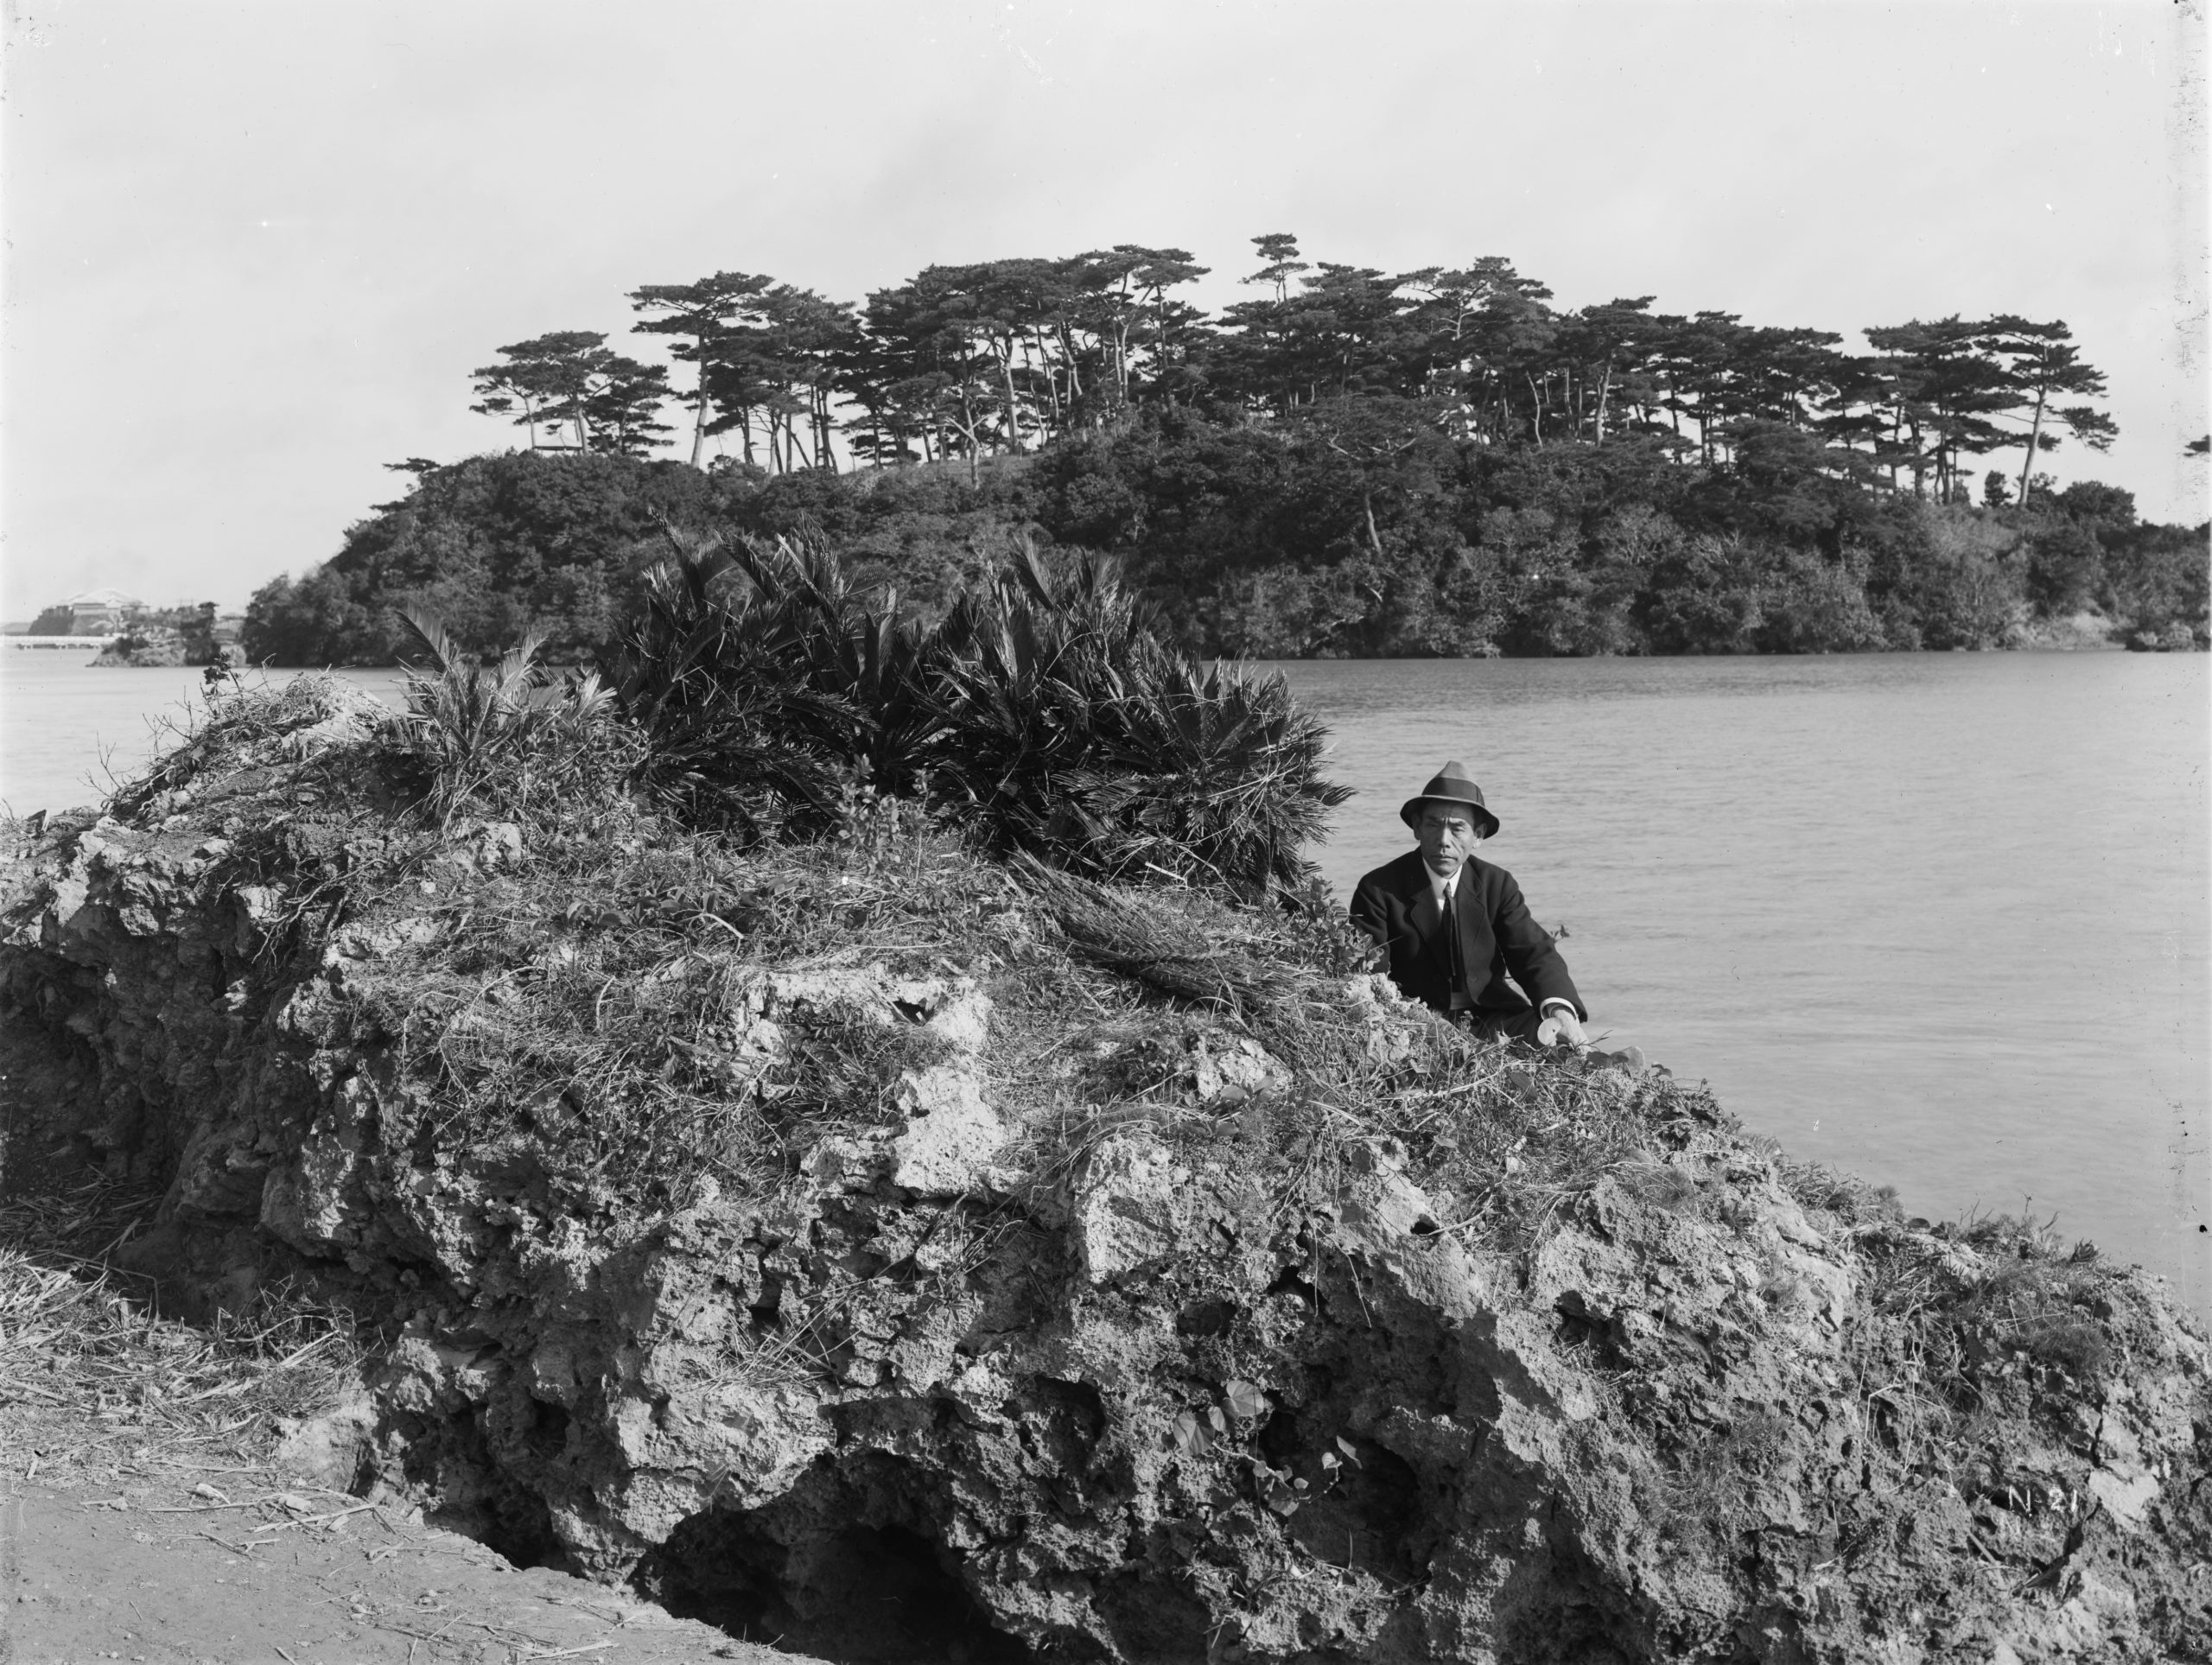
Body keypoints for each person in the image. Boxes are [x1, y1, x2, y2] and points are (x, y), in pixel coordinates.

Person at [1349, 762, 1589, 1046]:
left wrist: (1561, 1012)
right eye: (1433, 825)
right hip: (1414, 1024)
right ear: (1416, 827)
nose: (1443, 840)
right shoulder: (1378, 889)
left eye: (1458, 829)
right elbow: (1369, 976)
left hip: (1494, 1019)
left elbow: (1533, 953)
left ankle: (1613, 1067)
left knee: (1558, 1037)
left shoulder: (1497, 884)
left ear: (1478, 836)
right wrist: (1418, 1022)